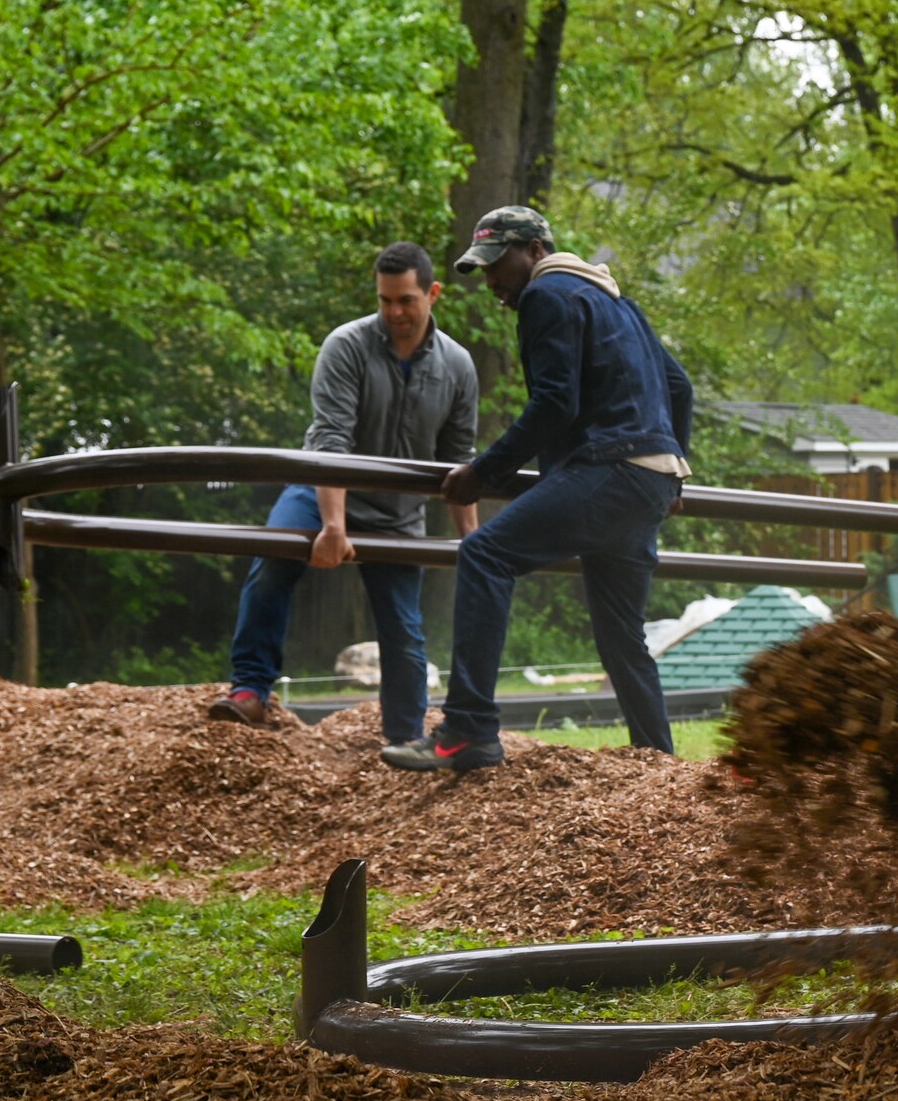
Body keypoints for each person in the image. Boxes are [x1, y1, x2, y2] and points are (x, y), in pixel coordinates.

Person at [381, 206, 692, 771]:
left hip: (609, 467)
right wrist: (676, 466)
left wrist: (482, 472)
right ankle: (660, 768)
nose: (494, 281)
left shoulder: (547, 296)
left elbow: (554, 404)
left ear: (536, 252)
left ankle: (468, 730)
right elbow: (679, 387)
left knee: (485, 554)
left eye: (499, 264)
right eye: (483, 268)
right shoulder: (620, 303)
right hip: (649, 480)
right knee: (622, 636)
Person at [210, 242, 479, 745]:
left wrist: (474, 543)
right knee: (270, 564)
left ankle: (403, 737)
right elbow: (330, 440)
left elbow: (457, 464)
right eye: (385, 301)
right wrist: (333, 525)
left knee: (403, 629)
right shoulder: (346, 345)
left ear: (433, 294)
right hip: (322, 493)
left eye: (406, 300)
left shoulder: (458, 366)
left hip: (397, 513)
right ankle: (250, 689)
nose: (395, 312)